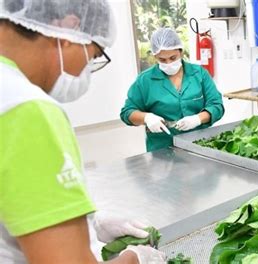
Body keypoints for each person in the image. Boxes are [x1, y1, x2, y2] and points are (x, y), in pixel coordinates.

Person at [0, 0, 165, 263]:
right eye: (94, 55)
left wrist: (89, 224)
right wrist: (136, 259)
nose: (86, 71)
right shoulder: (25, 108)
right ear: (69, 28)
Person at [120, 28, 225, 152]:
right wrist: (146, 118)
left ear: (180, 51)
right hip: (162, 149)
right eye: (162, 60)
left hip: (199, 144)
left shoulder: (199, 74)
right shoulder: (145, 80)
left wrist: (197, 119)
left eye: (173, 57)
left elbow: (217, 106)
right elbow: (127, 112)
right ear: (155, 57)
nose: (168, 63)